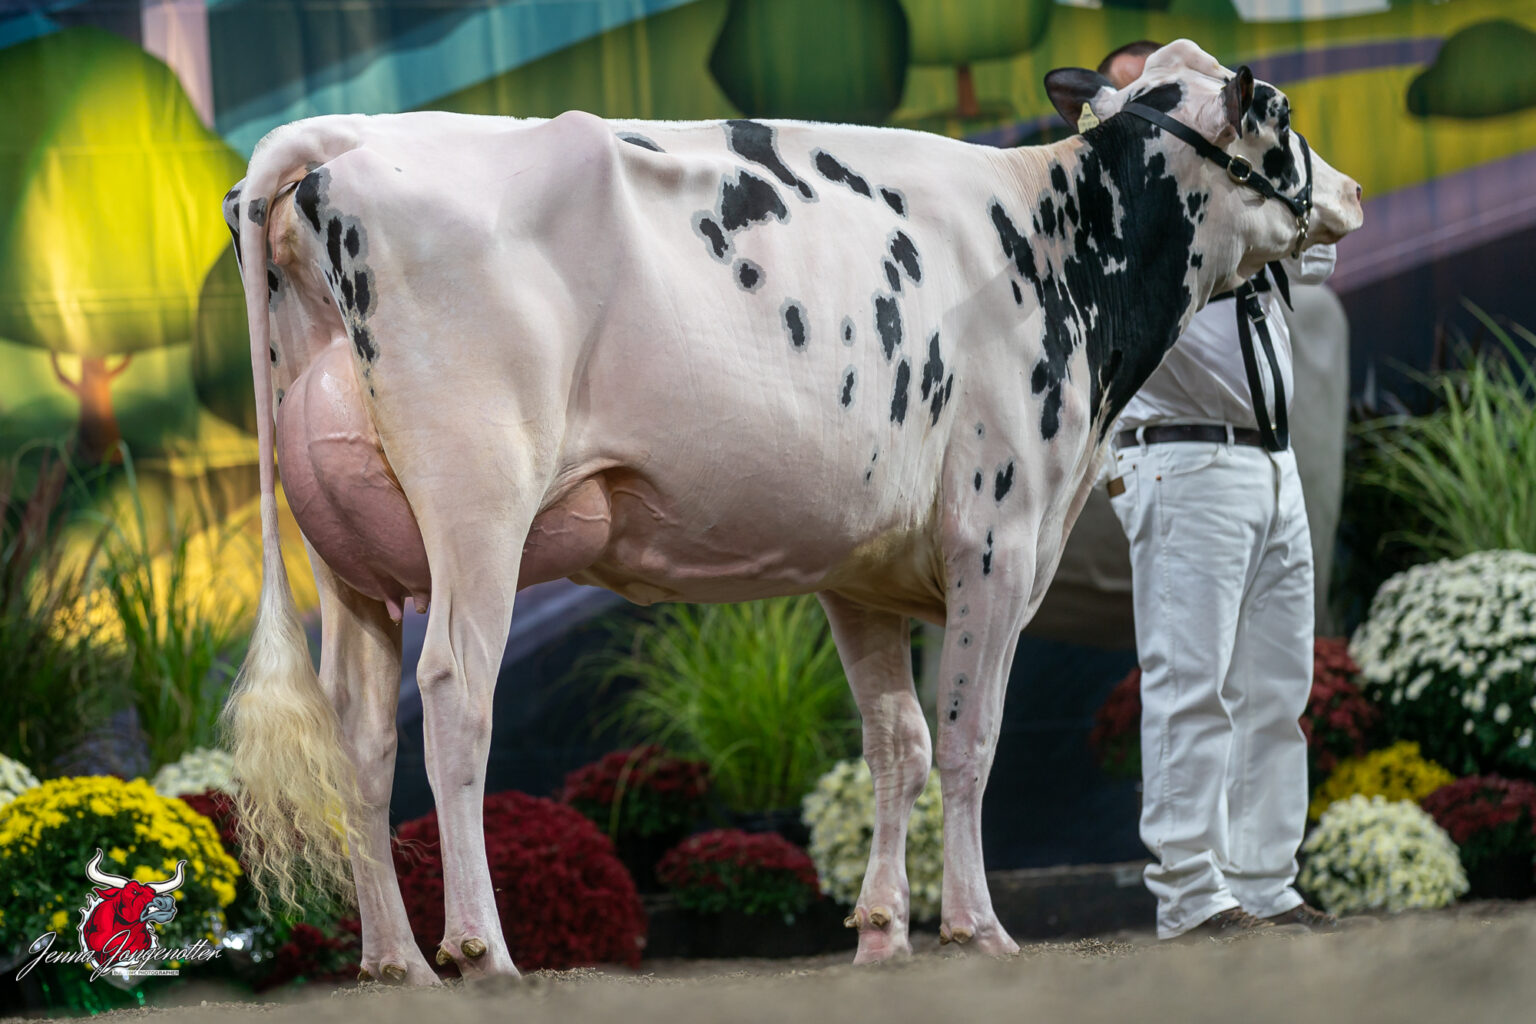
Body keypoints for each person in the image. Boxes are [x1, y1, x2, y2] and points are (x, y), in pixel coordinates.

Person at [1096, 42, 1348, 941]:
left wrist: (1251, 142)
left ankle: (1263, 880)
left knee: (1277, 689)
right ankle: (1191, 894)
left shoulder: (1233, 183)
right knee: (1190, 683)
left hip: (1272, 460)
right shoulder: (1118, 200)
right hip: (1185, 456)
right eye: (1139, 91)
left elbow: (1327, 226)